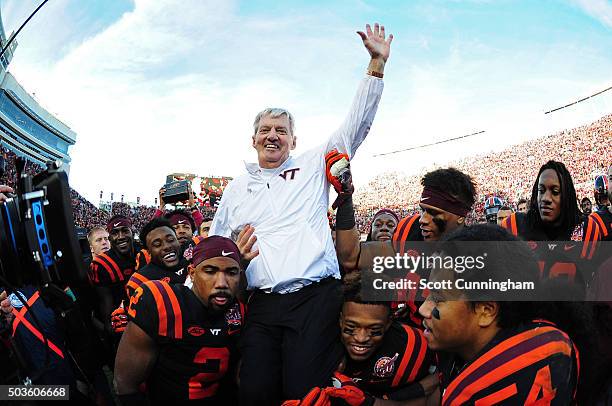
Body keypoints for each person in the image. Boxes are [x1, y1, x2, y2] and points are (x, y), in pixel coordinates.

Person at [210, 23, 392, 404]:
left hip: (314, 300)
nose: (272, 135)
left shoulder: (312, 164)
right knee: (255, 391)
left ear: (294, 140)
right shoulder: (236, 187)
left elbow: (355, 127)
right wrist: (234, 261)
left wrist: (376, 64)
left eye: (281, 130)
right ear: (253, 138)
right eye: (264, 129)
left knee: (305, 393)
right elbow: (215, 246)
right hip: (261, 303)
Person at [418, 224, 592, 404]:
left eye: (438, 298)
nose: (423, 309)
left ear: (486, 310)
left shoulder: (481, 390)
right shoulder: (554, 342)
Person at [334, 165, 476, 326]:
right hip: (413, 329)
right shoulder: (410, 230)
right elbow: (351, 256)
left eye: (434, 213)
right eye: (423, 211)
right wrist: (346, 198)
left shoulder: (472, 253)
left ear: (460, 216)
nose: (423, 219)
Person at [114, 236, 244, 405]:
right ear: (192, 272)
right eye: (210, 271)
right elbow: (125, 385)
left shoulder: (242, 310)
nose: (221, 283)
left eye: (231, 272)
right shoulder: (163, 302)